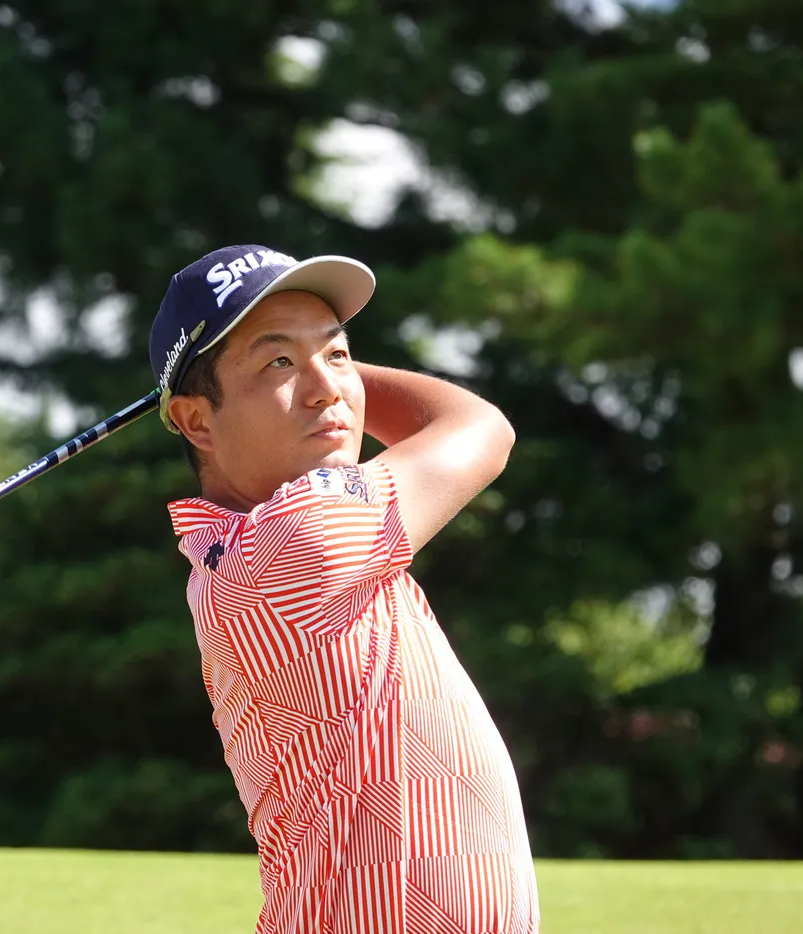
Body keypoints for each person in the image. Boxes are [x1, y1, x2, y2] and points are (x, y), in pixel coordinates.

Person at [149, 244, 540, 934]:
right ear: (197, 421)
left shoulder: (242, 549)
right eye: (278, 362)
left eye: (338, 354)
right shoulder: (299, 539)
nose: (328, 388)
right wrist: (332, 364)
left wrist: (304, 362)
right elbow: (481, 427)